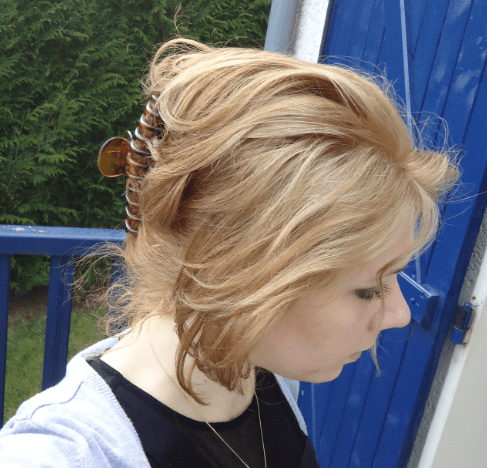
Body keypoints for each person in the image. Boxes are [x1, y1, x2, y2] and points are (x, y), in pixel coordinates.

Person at [0, 38, 458, 467]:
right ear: (240, 273)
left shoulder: (252, 366)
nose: (400, 314)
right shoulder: (70, 451)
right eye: (367, 289)